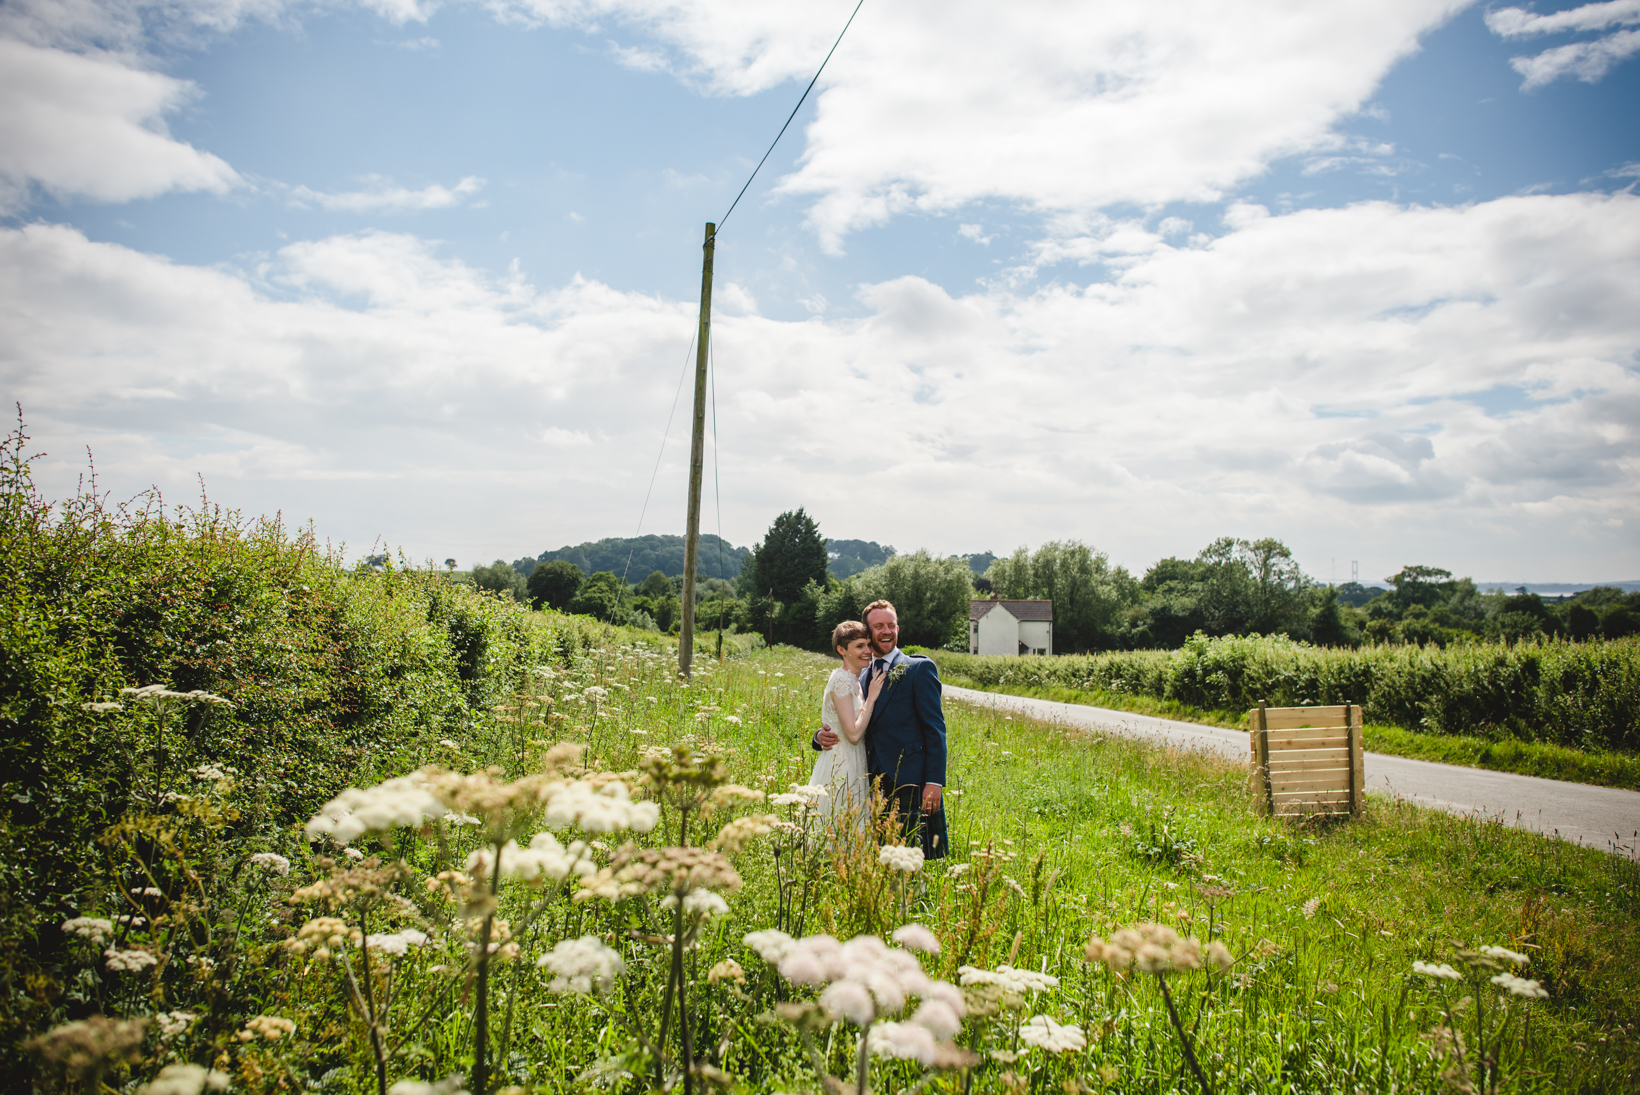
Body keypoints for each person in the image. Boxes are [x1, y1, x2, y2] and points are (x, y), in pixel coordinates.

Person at [815, 599, 949, 859]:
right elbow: (847, 719)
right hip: (867, 780)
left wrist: (934, 782)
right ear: (867, 631)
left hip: (909, 781)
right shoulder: (860, 674)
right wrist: (819, 736)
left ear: (898, 629)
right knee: (875, 858)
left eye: (891, 625)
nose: (887, 631)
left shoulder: (918, 669)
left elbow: (936, 729)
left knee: (910, 860)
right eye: (879, 626)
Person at [807, 620, 886, 832]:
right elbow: (852, 734)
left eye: (868, 645)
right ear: (842, 650)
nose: (868, 651)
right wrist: (872, 697)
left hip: (854, 758)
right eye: (859, 646)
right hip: (842, 762)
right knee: (838, 826)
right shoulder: (842, 680)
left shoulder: (853, 678)